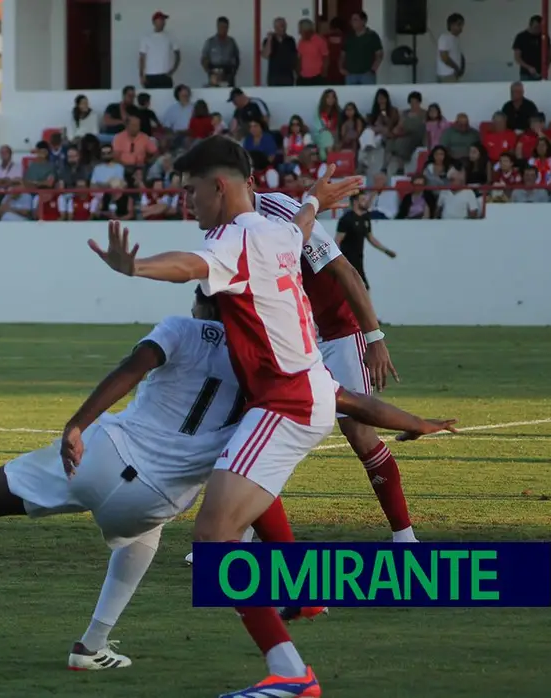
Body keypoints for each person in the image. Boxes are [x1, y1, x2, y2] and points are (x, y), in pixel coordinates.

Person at [0, 289, 456, 673]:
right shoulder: (272, 371)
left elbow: (131, 366)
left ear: (202, 305)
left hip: (97, 451)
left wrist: (79, 422)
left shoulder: (178, 327)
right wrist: (419, 422)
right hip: (153, 496)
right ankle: (93, 646)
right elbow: (354, 403)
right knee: (164, 533)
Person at [84, 134, 363, 697]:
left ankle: (293, 675)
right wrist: (313, 199)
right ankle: (295, 644)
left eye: (191, 192)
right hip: (296, 395)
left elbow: (189, 265)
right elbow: (299, 231)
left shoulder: (232, 239)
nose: (188, 205)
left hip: (288, 400)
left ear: (218, 187)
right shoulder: (273, 228)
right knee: (221, 532)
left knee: (214, 542)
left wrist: (135, 267)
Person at [255, 190, 415, 540]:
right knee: (259, 429)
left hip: (339, 331)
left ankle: (405, 538)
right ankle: (237, 536)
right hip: (295, 336)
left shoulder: (281, 211)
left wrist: (374, 339)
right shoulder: (227, 229)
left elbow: (346, 271)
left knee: (358, 432)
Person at [336, 195, 396, 289]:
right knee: (356, 288)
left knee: (363, 288)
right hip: (348, 260)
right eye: (363, 200)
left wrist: (386, 251)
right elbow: (338, 240)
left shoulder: (365, 217)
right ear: (355, 202)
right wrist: (338, 260)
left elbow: (370, 238)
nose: (366, 202)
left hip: (359, 259)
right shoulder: (346, 219)